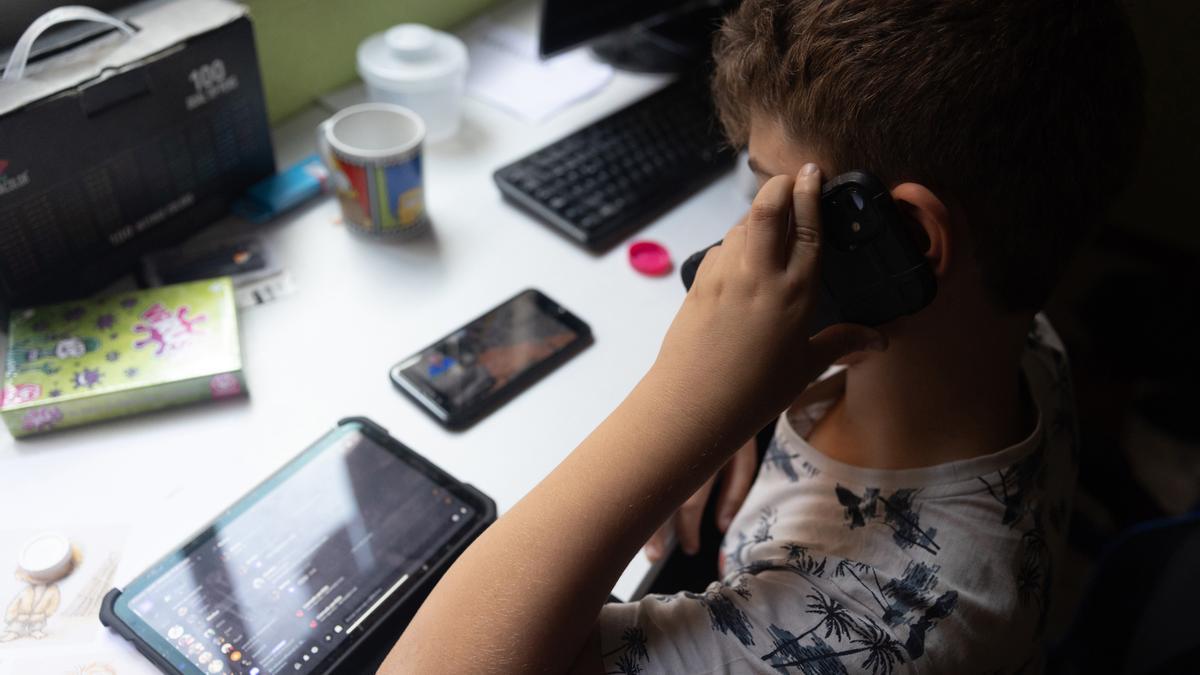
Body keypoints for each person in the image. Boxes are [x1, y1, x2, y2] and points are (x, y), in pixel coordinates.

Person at [378, 0, 1143, 672]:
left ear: (908, 239)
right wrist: (750, 405)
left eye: (776, 194)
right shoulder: (1022, 340)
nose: (741, 237)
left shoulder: (871, 632)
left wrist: (681, 412)